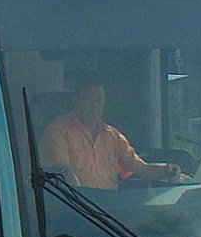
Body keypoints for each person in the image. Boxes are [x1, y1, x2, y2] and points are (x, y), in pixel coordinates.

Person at [39, 80, 179, 190]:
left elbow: (140, 168)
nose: (95, 105)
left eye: (99, 100)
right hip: (76, 209)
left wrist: (165, 170)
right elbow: (62, 172)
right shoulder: (57, 130)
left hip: (109, 211)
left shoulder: (113, 136)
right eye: (89, 99)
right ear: (75, 101)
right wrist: (81, 201)